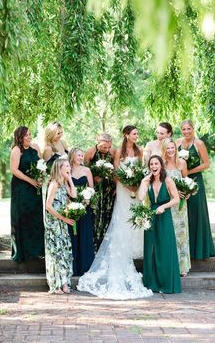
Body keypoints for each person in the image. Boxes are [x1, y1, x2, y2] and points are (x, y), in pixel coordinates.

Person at [77, 125, 152, 300]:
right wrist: (126, 184)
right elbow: (116, 171)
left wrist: (137, 183)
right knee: (122, 214)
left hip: (134, 186)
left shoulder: (140, 150)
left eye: (137, 134)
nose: (137, 136)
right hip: (121, 186)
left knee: (135, 214)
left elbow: (142, 169)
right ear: (126, 135)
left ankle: (136, 246)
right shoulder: (118, 151)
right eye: (134, 133)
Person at [139, 155, 181, 293]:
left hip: (164, 216)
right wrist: (143, 181)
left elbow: (176, 199)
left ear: (161, 165)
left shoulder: (168, 180)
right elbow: (140, 197)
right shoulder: (148, 181)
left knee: (164, 247)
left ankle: (166, 282)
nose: (153, 166)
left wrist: (164, 206)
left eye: (156, 163)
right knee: (150, 248)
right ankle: (151, 282)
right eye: (151, 164)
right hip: (151, 216)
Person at [177, 120, 215, 260]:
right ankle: (184, 249)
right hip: (180, 180)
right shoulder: (177, 143)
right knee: (182, 213)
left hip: (195, 181)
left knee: (196, 213)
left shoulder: (199, 143)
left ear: (193, 129)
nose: (186, 131)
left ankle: (199, 250)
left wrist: (189, 171)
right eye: (183, 129)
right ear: (181, 130)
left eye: (189, 129)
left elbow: (206, 164)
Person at [10, 126, 45, 263]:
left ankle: (36, 251)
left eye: (30, 134)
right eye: (26, 135)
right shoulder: (16, 150)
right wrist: (31, 180)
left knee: (35, 216)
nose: (29, 137)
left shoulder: (35, 147)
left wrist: (41, 178)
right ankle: (23, 252)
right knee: (23, 217)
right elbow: (14, 170)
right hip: (21, 189)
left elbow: (41, 165)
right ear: (20, 137)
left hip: (34, 188)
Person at [45, 158, 77, 294]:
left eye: (69, 166)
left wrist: (70, 179)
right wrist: (63, 218)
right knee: (56, 252)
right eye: (67, 166)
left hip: (62, 223)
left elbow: (74, 195)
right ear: (59, 168)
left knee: (64, 251)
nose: (69, 168)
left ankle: (64, 283)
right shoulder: (54, 184)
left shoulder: (63, 184)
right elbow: (48, 205)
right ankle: (56, 284)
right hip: (54, 222)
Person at [161, 138, 191, 276]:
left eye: (173, 148)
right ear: (164, 150)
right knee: (170, 233)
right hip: (168, 203)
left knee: (182, 233)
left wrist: (188, 193)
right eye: (168, 148)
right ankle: (170, 265)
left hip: (181, 205)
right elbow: (159, 184)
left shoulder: (182, 163)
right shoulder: (162, 165)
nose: (171, 150)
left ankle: (182, 266)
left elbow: (187, 181)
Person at [84, 133, 116, 251]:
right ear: (98, 142)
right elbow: (84, 170)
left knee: (108, 214)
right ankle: (93, 244)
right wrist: (93, 177)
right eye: (104, 147)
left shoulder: (113, 152)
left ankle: (106, 245)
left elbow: (115, 171)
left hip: (109, 189)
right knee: (95, 215)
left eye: (108, 147)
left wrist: (116, 187)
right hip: (96, 189)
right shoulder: (90, 153)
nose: (106, 149)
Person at [68, 147, 95, 276]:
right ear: (72, 156)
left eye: (82, 156)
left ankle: (85, 267)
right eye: (78, 155)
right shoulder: (68, 170)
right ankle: (73, 267)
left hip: (85, 208)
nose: (81, 158)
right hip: (71, 208)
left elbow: (91, 189)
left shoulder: (87, 170)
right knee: (73, 236)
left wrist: (87, 200)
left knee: (84, 235)